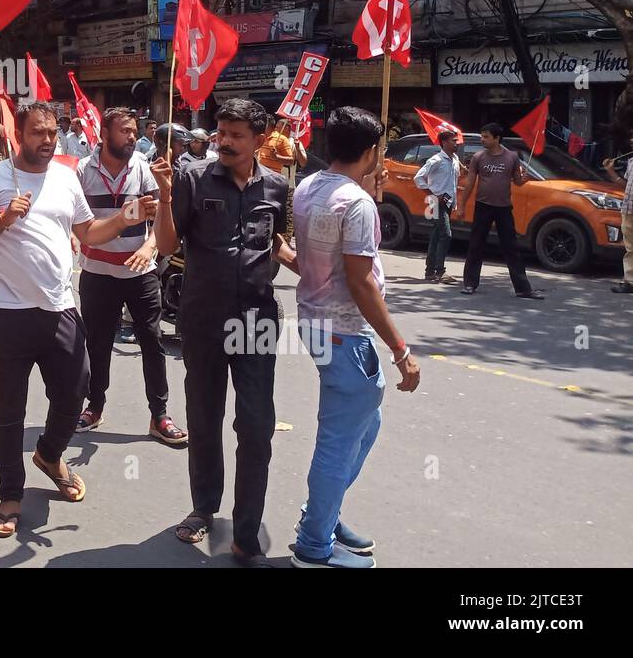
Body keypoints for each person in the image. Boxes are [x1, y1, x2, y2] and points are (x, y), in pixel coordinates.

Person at [0, 101, 156, 539]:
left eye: (52, 133)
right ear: (20, 135)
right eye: (38, 133)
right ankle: (11, 494)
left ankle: (50, 454)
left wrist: (129, 216)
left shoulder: (67, 178)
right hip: (6, 315)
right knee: (7, 413)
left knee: (76, 393)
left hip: (60, 309)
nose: (47, 141)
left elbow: (88, 234)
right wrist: (2, 218)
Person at [152, 98, 297, 566]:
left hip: (255, 321)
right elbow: (171, 243)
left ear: (261, 140)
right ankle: (203, 508)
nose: (226, 142)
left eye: (237, 135)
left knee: (255, 426)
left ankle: (246, 531)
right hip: (202, 318)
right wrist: (162, 197)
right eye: (222, 132)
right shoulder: (192, 178)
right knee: (204, 416)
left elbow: (279, 243)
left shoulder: (277, 186)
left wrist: (313, 266)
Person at [291, 107, 421, 568]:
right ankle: (313, 545)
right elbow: (362, 281)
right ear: (370, 151)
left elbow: (313, 256)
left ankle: (324, 517)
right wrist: (401, 350)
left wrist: (364, 185)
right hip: (345, 331)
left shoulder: (309, 187)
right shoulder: (358, 204)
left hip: (316, 323)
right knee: (340, 439)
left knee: (366, 425)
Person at [75, 107, 186, 447]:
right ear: (104, 135)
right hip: (97, 274)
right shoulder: (83, 171)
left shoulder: (144, 168)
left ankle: (160, 414)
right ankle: (94, 406)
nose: (131, 136)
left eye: (133, 130)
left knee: (151, 343)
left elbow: (160, 221)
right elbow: (77, 221)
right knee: (97, 343)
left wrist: (150, 247)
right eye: (123, 130)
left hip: (140, 275)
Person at [458, 122, 543, 298]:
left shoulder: (511, 157)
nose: (482, 139)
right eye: (482, 136)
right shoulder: (478, 157)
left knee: (511, 247)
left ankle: (523, 288)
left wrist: (525, 179)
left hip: (504, 208)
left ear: (497, 138)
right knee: (476, 245)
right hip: (483, 206)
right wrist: (462, 205)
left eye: (486, 136)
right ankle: (469, 284)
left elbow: (518, 181)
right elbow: (470, 182)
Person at [414, 129, 462, 285]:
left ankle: (430, 271)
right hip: (436, 203)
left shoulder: (454, 159)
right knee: (445, 235)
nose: (457, 143)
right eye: (454, 141)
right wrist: (432, 194)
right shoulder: (436, 160)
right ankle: (440, 271)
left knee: (437, 236)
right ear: (444, 143)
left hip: (448, 203)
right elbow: (418, 177)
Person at [603, 145, 633, 293]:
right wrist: (611, 171)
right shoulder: (631, 161)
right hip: (628, 210)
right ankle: (630, 282)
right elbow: (626, 185)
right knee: (630, 248)